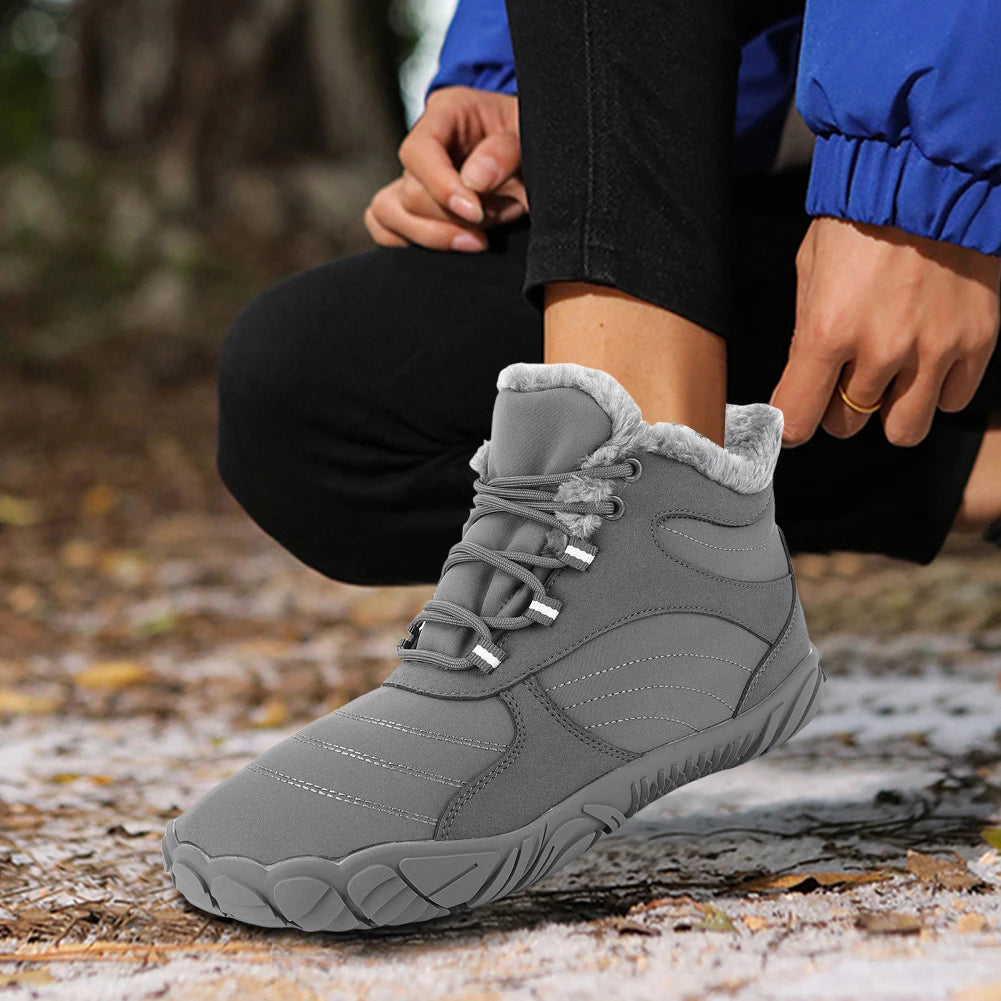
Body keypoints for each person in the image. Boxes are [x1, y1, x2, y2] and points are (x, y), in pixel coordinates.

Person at [163, 1, 1001, 932]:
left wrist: (923, 178)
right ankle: (693, 561)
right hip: (801, 217)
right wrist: (524, 85)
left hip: (964, 153)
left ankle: (645, 599)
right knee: (310, 384)